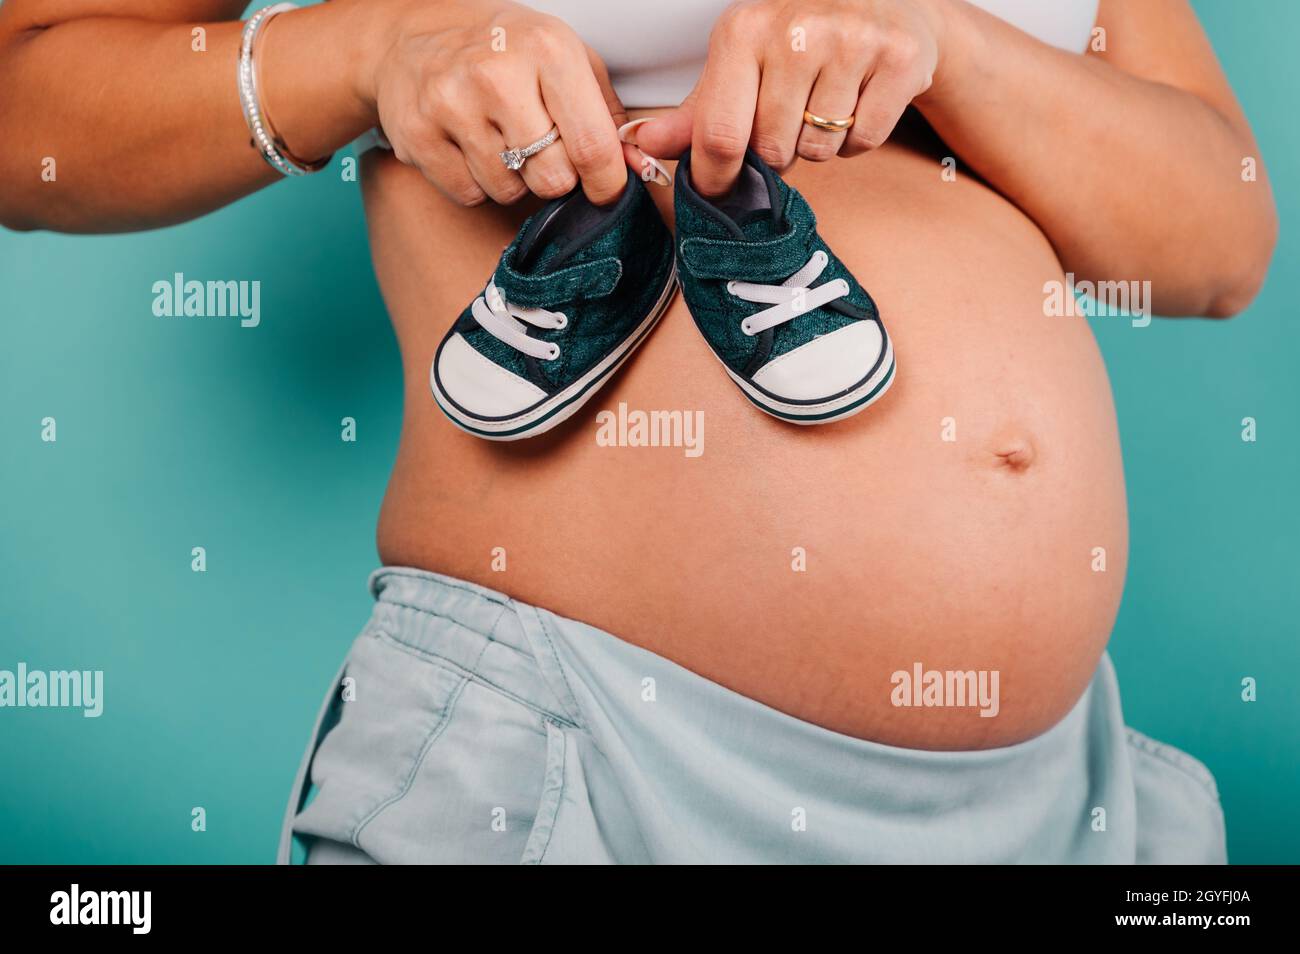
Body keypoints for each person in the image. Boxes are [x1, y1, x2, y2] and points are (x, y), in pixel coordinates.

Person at [0, 0, 1277, 863]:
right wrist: (368, 50)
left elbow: (1218, 241)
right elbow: (24, 112)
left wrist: (942, 38)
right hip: (571, 761)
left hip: (1067, 793)